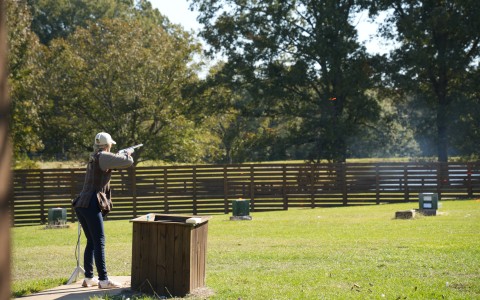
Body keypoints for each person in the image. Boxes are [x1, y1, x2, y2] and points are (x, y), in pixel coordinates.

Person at [72, 132, 134, 289]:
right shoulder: (104, 157)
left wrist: (120, 154)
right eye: (111, 144)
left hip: (82, 203)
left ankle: (88, 278)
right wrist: (127, 153)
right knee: (99, 241)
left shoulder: (95, 157)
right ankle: (104, 280)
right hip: (91, 203)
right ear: (108, 144)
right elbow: (129, 162)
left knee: (92, 241)